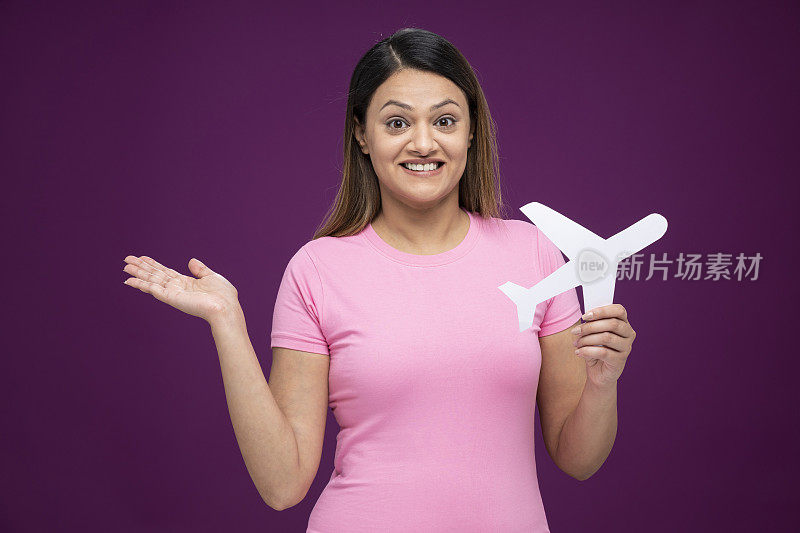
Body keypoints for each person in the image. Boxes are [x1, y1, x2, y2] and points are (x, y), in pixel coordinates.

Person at [122, 27, 636, 533]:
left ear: (472, 131)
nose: (423, 142)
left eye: (445, 120)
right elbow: (282, 485)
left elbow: (579, 459)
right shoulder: (318, 269)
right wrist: (227, 321)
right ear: (361, 135)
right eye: (396, 123)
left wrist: (601, 383)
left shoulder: (535, 253)